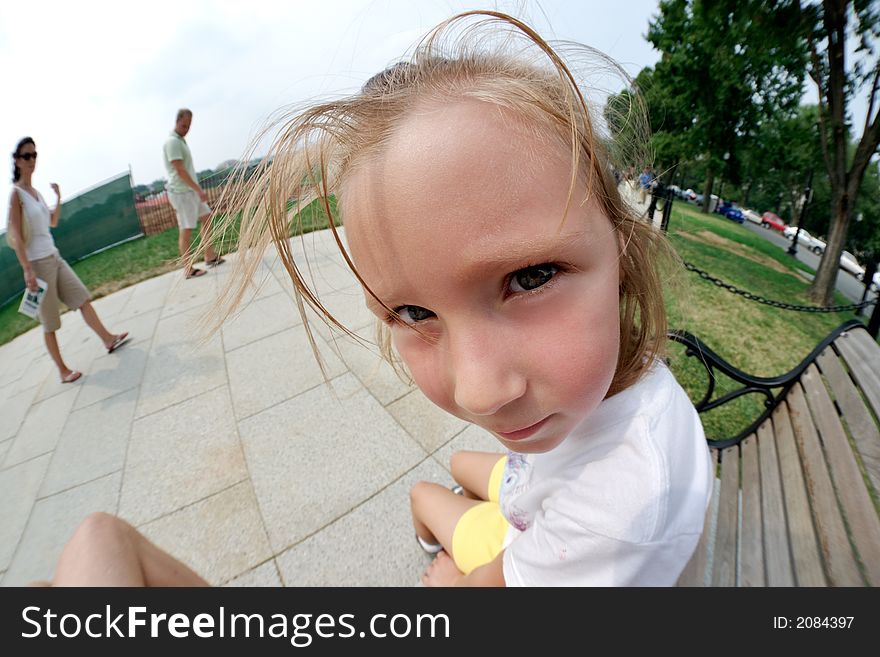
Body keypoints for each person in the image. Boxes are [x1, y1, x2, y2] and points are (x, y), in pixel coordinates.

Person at [42, 10, 711, 587]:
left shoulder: (621, 499)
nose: (478, 392)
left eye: (531, 277)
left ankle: (432, 525)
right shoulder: (620, 391)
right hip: (540, 499)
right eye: (414, 313)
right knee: (98, 538)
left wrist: (455, 577)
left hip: (537, 537)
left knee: (97, 544)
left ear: (623, 248)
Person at [7, 137, 129, 385]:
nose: (32, 160)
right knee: (50, 322)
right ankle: (63, 371)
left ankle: (108, 338)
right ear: (17, 161)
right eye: (27, 156)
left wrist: (58, 198)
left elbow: (52, 222)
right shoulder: (16, 195)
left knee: (82, 298)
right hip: (38, 265)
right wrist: (27, 270)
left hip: (54, 256)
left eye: (34, 155)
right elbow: (17, 236)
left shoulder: (36, 193)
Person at [162, 108, 224, 279]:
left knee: (207, 217)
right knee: (186, 229)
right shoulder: (172, 142)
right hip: (182, 193)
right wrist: (199, 190)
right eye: (184, 125)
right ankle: (188, 269)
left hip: (190, 191)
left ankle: (210, 256)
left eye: (189, 126)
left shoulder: (180, 140)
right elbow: (180, 170)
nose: (186, 129)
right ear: (177, 121)